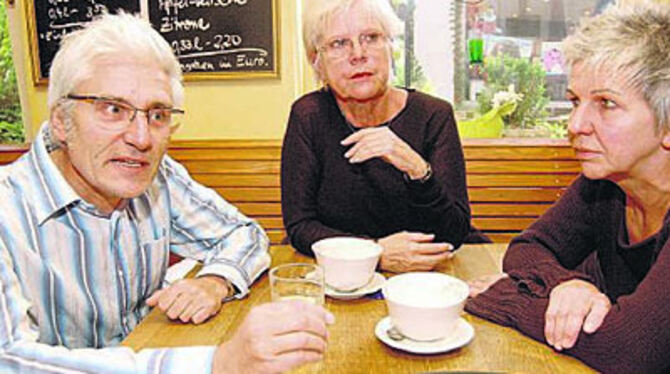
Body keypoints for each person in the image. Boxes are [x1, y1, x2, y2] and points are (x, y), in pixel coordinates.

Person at [0, 13, 333, 373]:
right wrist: (215, 364)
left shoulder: (156, 178)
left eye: (157, 115)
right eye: (113, 110)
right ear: (62, 121)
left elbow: (245, 234)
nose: (141, 139)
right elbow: (10, 360)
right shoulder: (9, 209)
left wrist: (215, 281)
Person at [465, 2, 670, 373]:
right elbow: (527, 248)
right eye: (575, 101)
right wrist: (569, 285)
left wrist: (506, 296)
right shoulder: (605, 187)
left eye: (606, 103)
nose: (575, 124)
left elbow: (625, 350)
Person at [281, 0, 472, 273]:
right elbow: (300, 226)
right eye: (338, 43)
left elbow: (454, 232)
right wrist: (374, 252)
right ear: (316, 61)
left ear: (390, 47)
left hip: (424, 279)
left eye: (370, 38)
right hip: (339, 278)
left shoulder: (434, 115)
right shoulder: (308, 115)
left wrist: (416, 168)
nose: (358, 54)